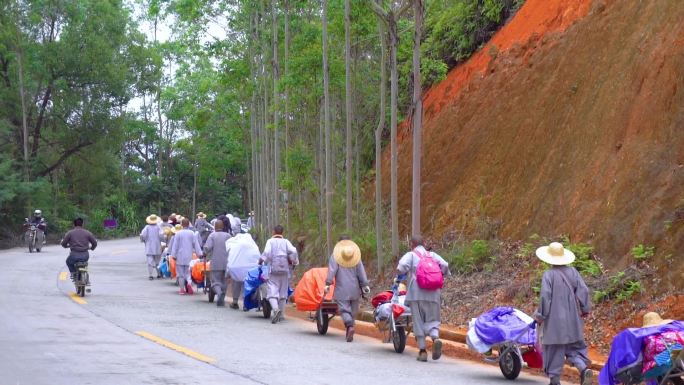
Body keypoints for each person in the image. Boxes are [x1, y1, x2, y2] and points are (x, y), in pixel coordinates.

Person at [533, 242, 592, 385]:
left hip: (555, 322)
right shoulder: (573, 272)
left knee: (554, 350)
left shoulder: (549, 275)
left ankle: (554, 381)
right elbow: (584, 291)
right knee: (573, 348)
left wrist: (540, 316)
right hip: (573, 320)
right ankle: (583, 369)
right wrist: (585, 309)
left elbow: (545, 297)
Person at [396, 235, 450, 362]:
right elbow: (445, 265)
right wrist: (441, 274)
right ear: (424, 243)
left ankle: (422, 351)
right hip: (433, 292)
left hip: (417, 292)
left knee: (418, 320)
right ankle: (435, 338)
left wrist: (403, 273)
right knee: (433, 318)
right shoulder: (432, 255)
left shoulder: (411, 255)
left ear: (412, 244)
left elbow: (400, 268)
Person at [324, 238, 369, 342]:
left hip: (341, 289)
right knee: (353, 311)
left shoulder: (335, 256)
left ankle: (350, 326)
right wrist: (365, 285)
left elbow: (332, 270)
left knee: (344, 309)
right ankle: (350, 327)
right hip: (355, 289)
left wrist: (328, 283)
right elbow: (361, 272)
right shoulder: (356, 257)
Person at [259, 225, 298, 324]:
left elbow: (267, 252)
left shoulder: (270, 241)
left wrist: (261, 260)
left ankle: (276, 310)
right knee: (283, 292)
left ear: (273, 232)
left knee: (272, 290)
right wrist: (294, 262)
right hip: (285, 269)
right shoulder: (286, 242)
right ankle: (282, 315)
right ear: (282, 232)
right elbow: (293, 250)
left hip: (274, 269)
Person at [226, 231, 261, 310]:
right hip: (250, 268)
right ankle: (246, 303)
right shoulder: (252, 245)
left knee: (236, 283)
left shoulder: (235, 244)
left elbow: (230, 256)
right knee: (249, 284)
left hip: (236, 268)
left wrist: (228, 271)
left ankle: (235, 302)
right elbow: (258, 256)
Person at [169, 218, 203, 295]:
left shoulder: (178, 234)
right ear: (188, 225)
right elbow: (196, 245)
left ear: (181, 225)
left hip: (179, 256)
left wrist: (173, 255)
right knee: (188, 272)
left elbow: (175, 246)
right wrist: (200, 254)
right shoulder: (192, 233)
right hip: (189, 256)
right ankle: (189, 284)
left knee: (180, 274)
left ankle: (181, 290)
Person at [203, 221, 232, 306]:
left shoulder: (212, 235)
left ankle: (219, 294)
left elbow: (207, 247)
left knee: (215, 282)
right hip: (227, 263)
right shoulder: (228, 236)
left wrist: (204, 253)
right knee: (225, 281)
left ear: (215, 227)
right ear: (223, 227)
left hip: (216, 262)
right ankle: (222, 297)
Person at [61, 217, 97, 283]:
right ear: (82, 224)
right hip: (85, 255)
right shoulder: (88, 233)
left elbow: (63, 243)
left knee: (68, 262)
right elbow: (94, 243)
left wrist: (66, 246)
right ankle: (85, 275)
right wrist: (92, 248)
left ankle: (73, 273)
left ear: (74, 224)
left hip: (74, 255)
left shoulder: (70, 233)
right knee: (85, 263)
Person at [140, 214, 164, 280]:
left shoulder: (147, 227)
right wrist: (163, 240)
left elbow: (143, 235)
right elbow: (161, 235)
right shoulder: (158, 227)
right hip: (157, 246)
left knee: (150, 262)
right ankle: (159, 274)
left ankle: (150, 275)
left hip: (149, 246)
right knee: (157, 262)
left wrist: (143, 240)